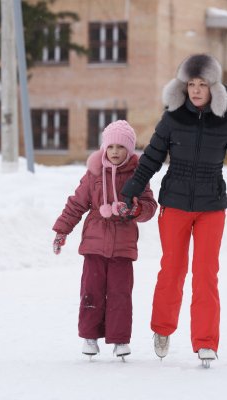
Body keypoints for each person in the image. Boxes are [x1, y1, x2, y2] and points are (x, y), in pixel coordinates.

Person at [121, 54, 227, 366]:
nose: (195, 89)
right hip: (174, 204)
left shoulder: (226, 122)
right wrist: (133, 188)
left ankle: (206, 341)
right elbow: (151, 156)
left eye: (201, 84)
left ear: (213, 86)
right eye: (190, 83)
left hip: (211, 207)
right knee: (173, 269)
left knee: (206, 274)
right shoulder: (172, 117)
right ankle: (162, 329)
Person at [52, 120, 158, 360]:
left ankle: (120, 339)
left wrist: (134, 209)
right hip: (94, 244)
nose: (115, 152)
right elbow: (76, 203)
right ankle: (90, 336)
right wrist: (62, 230)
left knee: (120, 294)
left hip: (123, 246)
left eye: (121, 147)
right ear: (104, 148)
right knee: (91, 292)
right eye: (111, 147)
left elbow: (150, 206)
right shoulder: (93, 173)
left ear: (129, 150)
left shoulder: (137, 176)